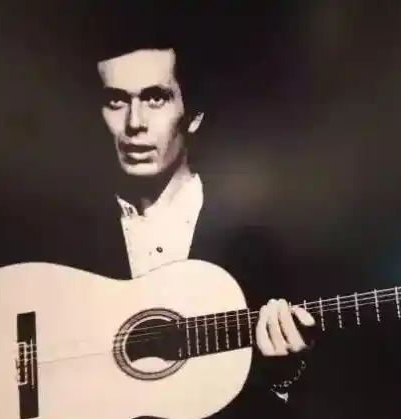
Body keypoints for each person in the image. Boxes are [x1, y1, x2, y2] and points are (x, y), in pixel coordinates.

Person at [89, 25, 320, 417]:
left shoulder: (252, 241)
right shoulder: (67, 236)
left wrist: (281, 376)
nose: (134, 123)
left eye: (155, 98)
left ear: (193, 114)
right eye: (116, 101)